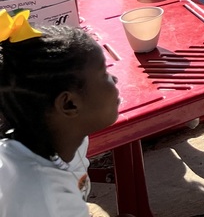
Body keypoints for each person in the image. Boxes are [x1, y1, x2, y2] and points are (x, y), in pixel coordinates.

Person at [0, 14, 120, 217]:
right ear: (69, 104)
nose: (114, 79)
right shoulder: (46, 194)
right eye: (104, 74)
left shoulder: (59, 136)